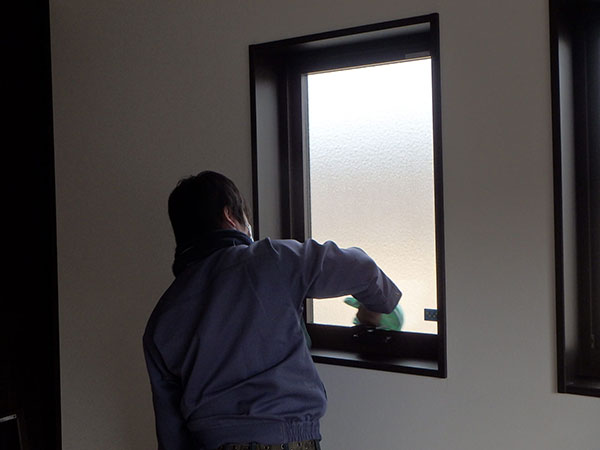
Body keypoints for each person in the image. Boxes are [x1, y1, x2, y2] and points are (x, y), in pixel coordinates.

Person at [143, 171, 401, 450]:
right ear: (230, 216)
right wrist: (376, 308)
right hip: (283, 439)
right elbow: (361, 268)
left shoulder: (162, 316)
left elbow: (170, 431)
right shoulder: (269, 259)